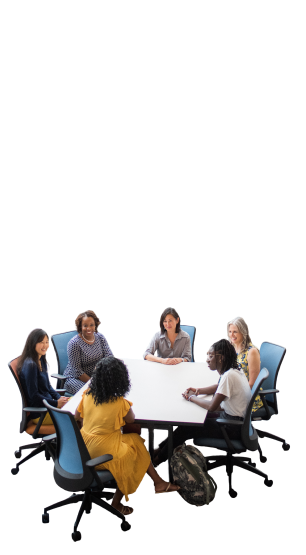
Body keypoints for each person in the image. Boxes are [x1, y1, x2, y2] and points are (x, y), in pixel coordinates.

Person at [74, 356, 180, 516]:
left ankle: (158, 482)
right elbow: (131, 419)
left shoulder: (87, 395)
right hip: (102, 451)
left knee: (137, 441)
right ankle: (116, 503)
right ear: (119, 379)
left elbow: (77, 416)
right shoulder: (119, 402)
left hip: (82, 448)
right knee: (133, 453)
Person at [153, 338, 252, 466]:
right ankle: (158, 449)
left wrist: (191, 398)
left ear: (221, 358)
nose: (207, 359)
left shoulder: (229, 376)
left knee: (187, 428)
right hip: (236, 421)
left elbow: (211, 407)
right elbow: (219, 387)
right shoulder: (234, 370)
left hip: (232, 427)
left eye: (211, 356)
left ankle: (157, 460)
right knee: (187, 421)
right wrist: (199, 390)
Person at [17, 328, 69, 425]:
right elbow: (34, 396)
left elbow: (48, 386)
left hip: (49, 406)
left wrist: (58, 398)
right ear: (33, 343)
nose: (45, 345)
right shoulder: (30, 365)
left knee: (79, 404)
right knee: (79, 413)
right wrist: (56, 404)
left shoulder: (41, 359)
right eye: (41, 342)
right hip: (41, 413)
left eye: (46, 342)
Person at [64, 310, 114, 394]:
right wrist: (94, 383)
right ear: (80, 326)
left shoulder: (100, 337)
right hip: (75, 379)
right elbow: (77, 372)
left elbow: (110, 357)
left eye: (91, 325)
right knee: (93, 393)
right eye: (85, 326)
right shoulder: (74, 343)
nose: (89, 328)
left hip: (96, 376)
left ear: (95, 325)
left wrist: (102, 374)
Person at [227, 316, 263, 413]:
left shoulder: (252, 351)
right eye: (230, 331)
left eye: (235, 332)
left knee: (216, 407)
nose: (232, 335)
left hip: (248, 397)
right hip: (234, 391)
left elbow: (252, 383)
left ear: (243, 332)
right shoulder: (232, 347)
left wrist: (233, 396)